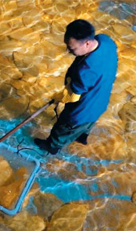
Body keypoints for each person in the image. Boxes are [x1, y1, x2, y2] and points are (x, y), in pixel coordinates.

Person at [34, 19, 118, 155]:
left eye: (72, 48)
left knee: (62, 128)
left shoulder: (86, 70)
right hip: (100, 102)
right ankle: (82, 137)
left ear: (87, 43)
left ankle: (52, 147)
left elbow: (72, 96)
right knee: (86, 125)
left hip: (81, 111)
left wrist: (58, 98)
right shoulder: (105, 41)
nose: (68, 51)